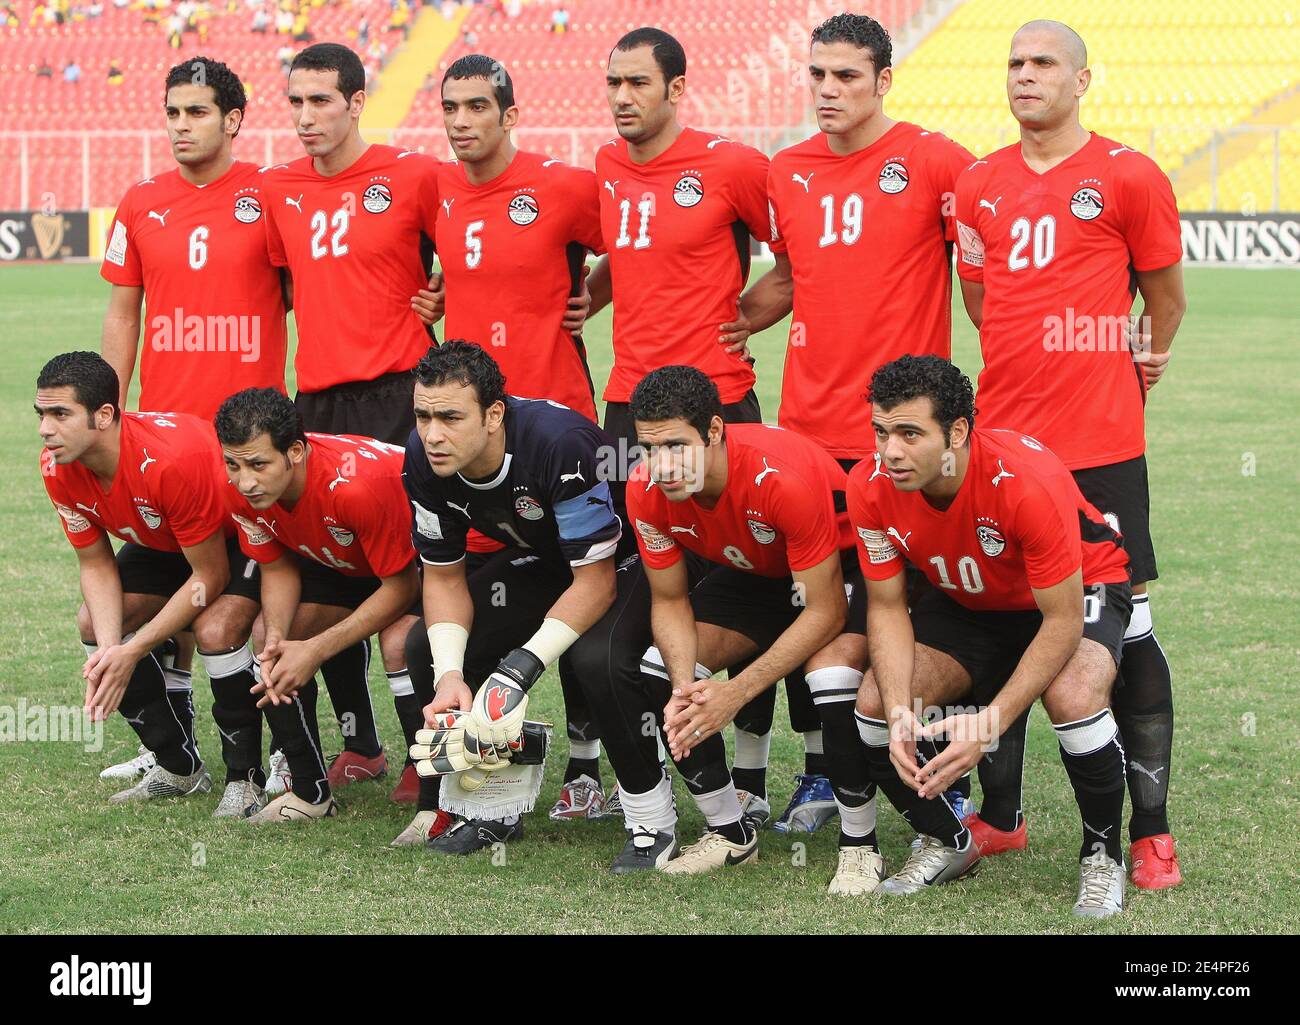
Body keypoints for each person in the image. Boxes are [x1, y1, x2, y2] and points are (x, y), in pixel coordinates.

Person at [952, 20, 1187, 888]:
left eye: (1042, 63)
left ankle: (1150, 832)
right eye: (1013, 63)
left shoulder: (1129, 173)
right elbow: (981, 299)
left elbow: (1164, 295)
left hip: (1100, 447)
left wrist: (1137, 363)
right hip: (1005, 444)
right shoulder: (978, 185)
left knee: (1122, 625)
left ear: (1083, 80)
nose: (1024, 76)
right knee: (1009, 616)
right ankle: (1001, 816)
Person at [734, 11, 978, 832]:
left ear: (882, 79)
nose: (828, 91)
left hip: (900, 443)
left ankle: (942, 763)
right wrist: (719, 322)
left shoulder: (935, 158)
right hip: (807, 434)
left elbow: (993, 258)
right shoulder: (786, 169)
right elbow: (787, 279)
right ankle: (821, 773)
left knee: (915, 610)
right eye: (817, 75)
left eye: (846, 76)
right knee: (819, 605)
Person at [406, 55, 619, 818]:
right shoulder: (439, 195)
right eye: (450, 108)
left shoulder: (561, 186)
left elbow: (628, 244)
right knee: (500, 598)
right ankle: (486, 777)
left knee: (580, 584)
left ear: (509, 113)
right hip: (477, 447)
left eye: (476, 106)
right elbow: (433, 277)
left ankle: (588, 765)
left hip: (556, 432)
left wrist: (587, 299)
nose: (461, 121)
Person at [849, 355, 1132, 917]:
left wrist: (990, 724)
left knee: (1074, 696)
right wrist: (904, 708)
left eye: (910, 433)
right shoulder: (870, 486)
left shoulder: (1025, 483)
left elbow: (1061, 621)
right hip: (973, 601)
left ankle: (1102, 856)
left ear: (957, 432)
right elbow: (885, 606)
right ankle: (948, 839)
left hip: (1072, 594)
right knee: (878, 704)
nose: (890, 452)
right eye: (881, 432)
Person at [97, 56, 291, 788]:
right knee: (170, 591)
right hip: (160, 438)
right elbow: (123, 313)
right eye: (173, 112)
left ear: (234, 119)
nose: (181, 125)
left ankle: (282, 746)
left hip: (248, 445)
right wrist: (110, 415)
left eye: (197, 112)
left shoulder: (270, 195)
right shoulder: (140, 200)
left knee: (259, 598)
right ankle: (173, 752)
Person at [260, 42, 444, 790]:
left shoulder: (413, 175)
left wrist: (442, 297)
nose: (305, 117)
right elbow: (289, 285)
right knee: (328, 572)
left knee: (416, 573)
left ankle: (424, 751)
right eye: (295, 102)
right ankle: (358, 739)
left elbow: (464, 259)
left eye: (320, 101)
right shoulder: (279, 190)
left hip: (401, 395)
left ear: (356, 101)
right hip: (320, 403)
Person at [605, 365, 871, 878]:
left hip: (841, 568)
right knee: (660, 674)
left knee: (831, 680)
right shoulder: (645, 489)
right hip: (756, 572)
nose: (662, 465)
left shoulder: (780, 480)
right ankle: (729, 830)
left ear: (714, 431)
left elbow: (825, 609)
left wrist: (737, 691)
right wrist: (687, 687)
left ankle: (860, 844)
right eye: (649, 448)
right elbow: (669, 600)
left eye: (676, 446)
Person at [400, 342, 653, 854]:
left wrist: (519, 669)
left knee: (594, 658)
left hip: (629, 560)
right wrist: (451, 674)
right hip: (553, 559)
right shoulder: (423, 458)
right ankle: (494, 808)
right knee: (429, 649)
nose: (432, 434)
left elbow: (596, 581)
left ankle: (650, 815)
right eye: (423, 415)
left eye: (449, 416)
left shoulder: (560, 446)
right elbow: (444, 578)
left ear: (494, 414)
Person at [36, 352, 265, 810]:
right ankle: (179, 768)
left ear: (103, 415)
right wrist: (109, 650)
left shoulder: (170, 461)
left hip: (243, 532)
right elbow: (95, 564)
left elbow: (209, 575)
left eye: (61, 414)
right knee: (92, 625)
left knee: (216, 630)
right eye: (41, 414)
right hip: (170, 539)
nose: (45, 428)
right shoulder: (56, 465)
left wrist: (134, 650)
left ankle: (247, 779)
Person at [215, 388, 421, 823]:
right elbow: (278, 569)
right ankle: (310, 793)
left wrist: (317, 648)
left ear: (295, 451)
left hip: (419, 565)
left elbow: (401, 588)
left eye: (257, 464)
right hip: (345, 562)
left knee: (399, 641)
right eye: (232, 464)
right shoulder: (243, 491)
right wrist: (277, 643)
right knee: (272, 644)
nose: (244, 480)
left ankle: (427, 767)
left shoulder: (355, 489)